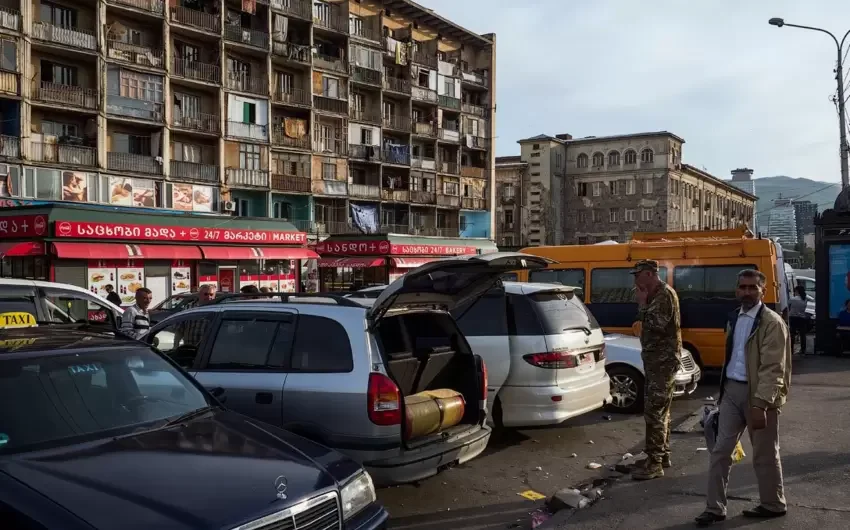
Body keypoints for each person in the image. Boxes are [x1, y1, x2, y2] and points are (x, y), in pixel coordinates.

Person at [695, 269, 791, 526]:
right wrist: (723, 392)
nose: (747, 292)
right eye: (743, 287)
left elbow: (773, 369)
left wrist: (761, 403)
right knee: (720, 452)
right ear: (736, 290)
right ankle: (714, 508)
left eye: (752, 287)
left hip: (759, 395)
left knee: (765, 454)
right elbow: (732, 358)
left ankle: (773, 504)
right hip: (732, 393)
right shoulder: (734, 318)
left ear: (763, 291)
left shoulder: (772, 322)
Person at [631, 259, 682, 481]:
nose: (635, 278)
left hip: (663, 361)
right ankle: (662, 454)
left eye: (638, 274)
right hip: (656, 360)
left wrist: (642, 305)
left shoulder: (664, 295)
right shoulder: (656, 294)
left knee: (655, 411)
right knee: (661, 410)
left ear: (651, 274)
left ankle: (655, 463)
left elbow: (657, 325)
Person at [173, 284, 216, 351]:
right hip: (189, 349)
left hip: (208, 351)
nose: (208, 297)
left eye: (211, 295)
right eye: (205, 294)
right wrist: (175, 347)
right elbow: (179, 330)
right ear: (199, 295)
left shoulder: (217, 310)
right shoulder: (189, 308)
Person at [788, 285, 809, 355]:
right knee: (802, 334)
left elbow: (788, 307)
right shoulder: (805, 299)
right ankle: (803, 350)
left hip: (793, 317)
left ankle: (791, 350)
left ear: (797, 291)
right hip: (802, 318)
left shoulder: (792, 299)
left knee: (792, 334)